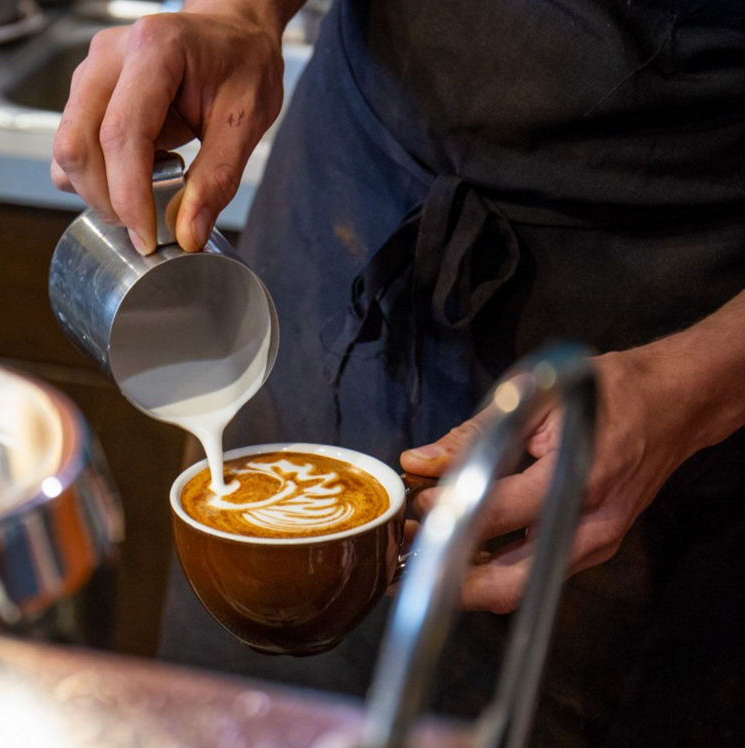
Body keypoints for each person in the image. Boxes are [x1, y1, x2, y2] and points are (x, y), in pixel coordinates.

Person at [51, 0, 745, 745]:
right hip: (359, 188)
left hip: (672, 308)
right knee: (237, 710)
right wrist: (239, 14)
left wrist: (695, 386)